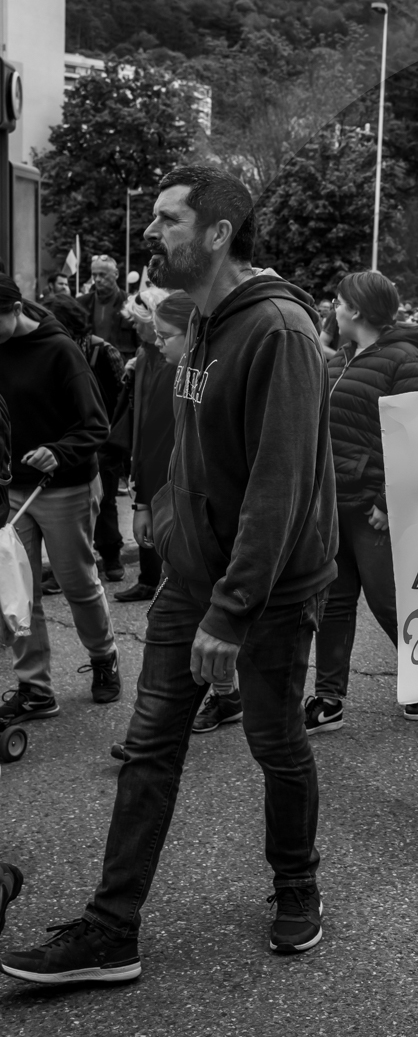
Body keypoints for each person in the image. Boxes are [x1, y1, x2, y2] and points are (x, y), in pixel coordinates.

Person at [1, 165, 338, 985]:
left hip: (262, 594)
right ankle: (112, 930)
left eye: (166, 219)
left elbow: (279, 483)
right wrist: (163, 505)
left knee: (275, 742)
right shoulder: (210, 321)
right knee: (149, 749)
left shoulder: (278, 331)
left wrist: (230, 611)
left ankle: (297, 885)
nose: (150, 233)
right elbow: (194, 442)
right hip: (192, 581)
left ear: (217, 233)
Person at [301, 270, 418, 736]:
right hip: (334, 503)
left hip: (375, 508)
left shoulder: (408, 360)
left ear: (356, 309)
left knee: (387, 602)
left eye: (337, 302)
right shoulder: (340, 359)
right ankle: (328, 698)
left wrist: (387, 499)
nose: (332, 310)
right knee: (334, 603)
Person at [0, 275, 118, 727]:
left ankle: (104, 655)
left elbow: (96, 425)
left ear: (13, 309)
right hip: (11, 488)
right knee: (18, 590)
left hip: (64, 486)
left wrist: (58, 451)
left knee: (77, 584)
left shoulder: (60, 350)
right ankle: (35, 688)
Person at [114, 291, 193, 605]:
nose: (136, 329)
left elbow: (161, 433)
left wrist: (145, 502)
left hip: (174, 484)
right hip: (156, 473)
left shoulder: (173, 365)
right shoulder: (150, 356)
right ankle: (151, 580)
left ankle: (155, 582)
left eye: (164, 335)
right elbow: (147, 427)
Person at [43, 295, 129, 583]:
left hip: (102, 440)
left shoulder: (102, 350)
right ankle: (63, 568)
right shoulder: (48, 351)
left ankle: (112, 556)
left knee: (103, 502)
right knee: (67, 509)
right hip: (65, 439)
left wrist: (117, 442)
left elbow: (121, 398)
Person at [78, 255, 137, 359]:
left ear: (116, 274)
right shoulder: (81, 303)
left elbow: (141, 342)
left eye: (102, 275)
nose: (97, 279)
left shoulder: (131, 303)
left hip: (122, 368)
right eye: (94, 275)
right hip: (90, 367)